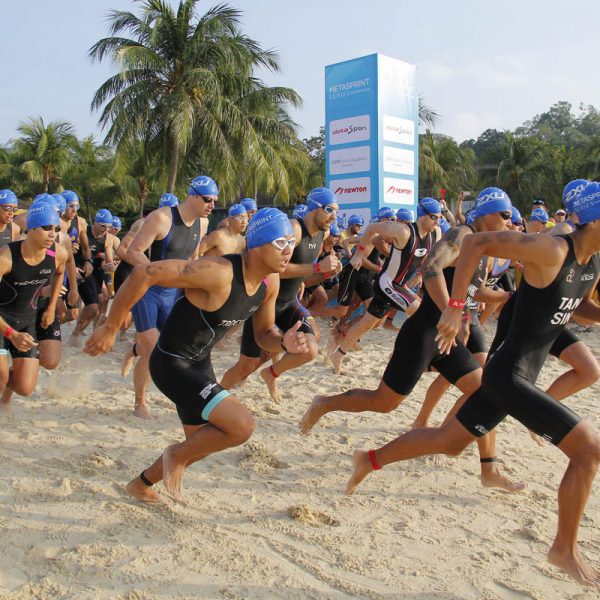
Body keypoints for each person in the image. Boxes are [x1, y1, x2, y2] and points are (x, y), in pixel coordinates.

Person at [346, 182, 600, 587]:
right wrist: (457, 305)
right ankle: (563, 549)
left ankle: (369, 460)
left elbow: (579, 306)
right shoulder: (554, 250)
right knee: (589, 450)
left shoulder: (590, 262)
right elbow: (476, 242)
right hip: (510, 377)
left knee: (448, 441)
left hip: (517, 375)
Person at [302, 187, 522, 492]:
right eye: (506, 215)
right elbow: (431, 266)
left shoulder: (482, 250)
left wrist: (506, 296)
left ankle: (489, 469)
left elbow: (474, 290)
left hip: (446, 338)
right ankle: (324, 403)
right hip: (421, 335)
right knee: (383, 403)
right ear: (486, 214)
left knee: (485, 393)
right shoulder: (461, 235)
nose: (510, 223)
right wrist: (452, 310)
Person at [84, 208, 308, 503]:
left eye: (291, 242)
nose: (289, 251)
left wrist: (284, 343)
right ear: (256, 245)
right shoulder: (219, 272)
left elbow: (264, 332)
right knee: (241, 425)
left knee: (203, 443)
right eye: (281, 243)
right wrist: (111, 326)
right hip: (171, 363)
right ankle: (173, 455)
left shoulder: (270, 282)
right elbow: (145, 272)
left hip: (200, 363)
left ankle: (140, 484)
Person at [220, 187, 340, 403]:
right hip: (265, 302)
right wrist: (317, 269)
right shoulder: (295, 228)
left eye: (336, 211)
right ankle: (213, 396)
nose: (334, 216)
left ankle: (271, 374)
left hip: (288, 302)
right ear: (314, 208)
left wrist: (323, 273)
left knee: (309, 348)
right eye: (330, 209)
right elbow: (276, 268)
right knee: (246, 364)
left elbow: (304, 274)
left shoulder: (324, 234)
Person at [121, 176, 212, 418]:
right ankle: (140, 402)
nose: (211, 205)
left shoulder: (203, 223)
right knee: (152, 346)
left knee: (170, 347)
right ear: (192, 196)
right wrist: (157, 274)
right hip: (148, 289)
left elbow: (191, 258)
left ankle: (134, 349)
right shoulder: (161, 218)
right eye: (207, 199)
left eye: (214, 201)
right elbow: (133, 252)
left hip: (173, 292)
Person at [329, 197, 442, 374]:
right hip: (387, 283)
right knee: (422, 314)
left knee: (367, 324)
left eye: (440, 217)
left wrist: (420, 274)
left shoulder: (436, 234)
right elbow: (372, 228)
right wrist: (358, 254)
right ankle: (399, 356)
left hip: (398, 285)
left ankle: (338, 354)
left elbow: (429, 258)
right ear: (423, 216)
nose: (438, 221)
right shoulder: (403, 231)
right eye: (435, 217)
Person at [0, 202, 68, 412]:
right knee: (0, 378)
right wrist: (11, 334)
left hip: (27, 321)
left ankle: (7, 394)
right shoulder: (6, 257)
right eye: (47, 228)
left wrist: (50, 308)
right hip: (3, 321)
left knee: (25, 388)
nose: (52, 234)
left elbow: (60, 272)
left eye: (56, 229)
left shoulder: (58, 254)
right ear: (31, 229)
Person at [68, 209, 118, 344]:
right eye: (103, 225)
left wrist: (110, 265)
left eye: (108, 227)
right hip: (76, 269)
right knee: (72, 310)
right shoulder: (83, 231)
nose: (105, 229)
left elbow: (109, 259)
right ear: (94, 223)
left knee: (101, 300)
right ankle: (78, 325)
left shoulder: (107, 237)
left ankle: (82, 331)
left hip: (93, 271)